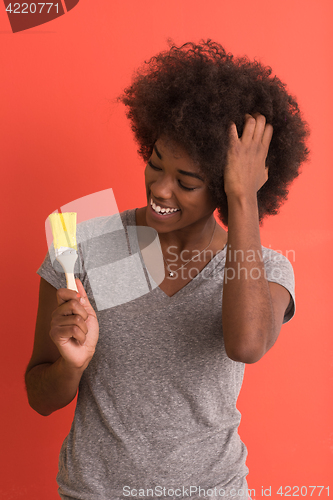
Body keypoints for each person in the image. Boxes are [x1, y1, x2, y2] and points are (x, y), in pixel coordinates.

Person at [25, 40, 309, 500]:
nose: (161, 188)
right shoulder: (94, 245)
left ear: (224, 187)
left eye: (187, 182)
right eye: (155, 164)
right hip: (96, 492)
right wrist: (70, 368)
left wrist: (244, 199)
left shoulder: (261, 267)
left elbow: (246, 344)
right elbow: (40, 398)